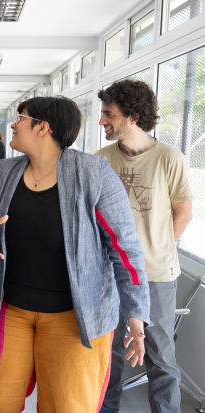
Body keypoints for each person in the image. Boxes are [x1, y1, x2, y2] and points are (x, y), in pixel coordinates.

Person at [0, 96, 151, 413]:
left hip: (75, 320)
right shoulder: (5, 171)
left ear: (42, 127)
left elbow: (125, 248)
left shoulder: (93, 173)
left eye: (20, 117)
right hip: (9, 311)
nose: (13, 123)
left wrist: (136, 313)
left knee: (69, 406)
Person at [96, 80, 194, 413]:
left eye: (109, 114)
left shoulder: (170, 157)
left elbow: (183, 213)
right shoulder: (101, 159)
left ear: (133, 116)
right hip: (110, 275)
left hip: (156, 276)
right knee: (108, 357)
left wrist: (155, 251)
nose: (101, 121)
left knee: (161, 358)